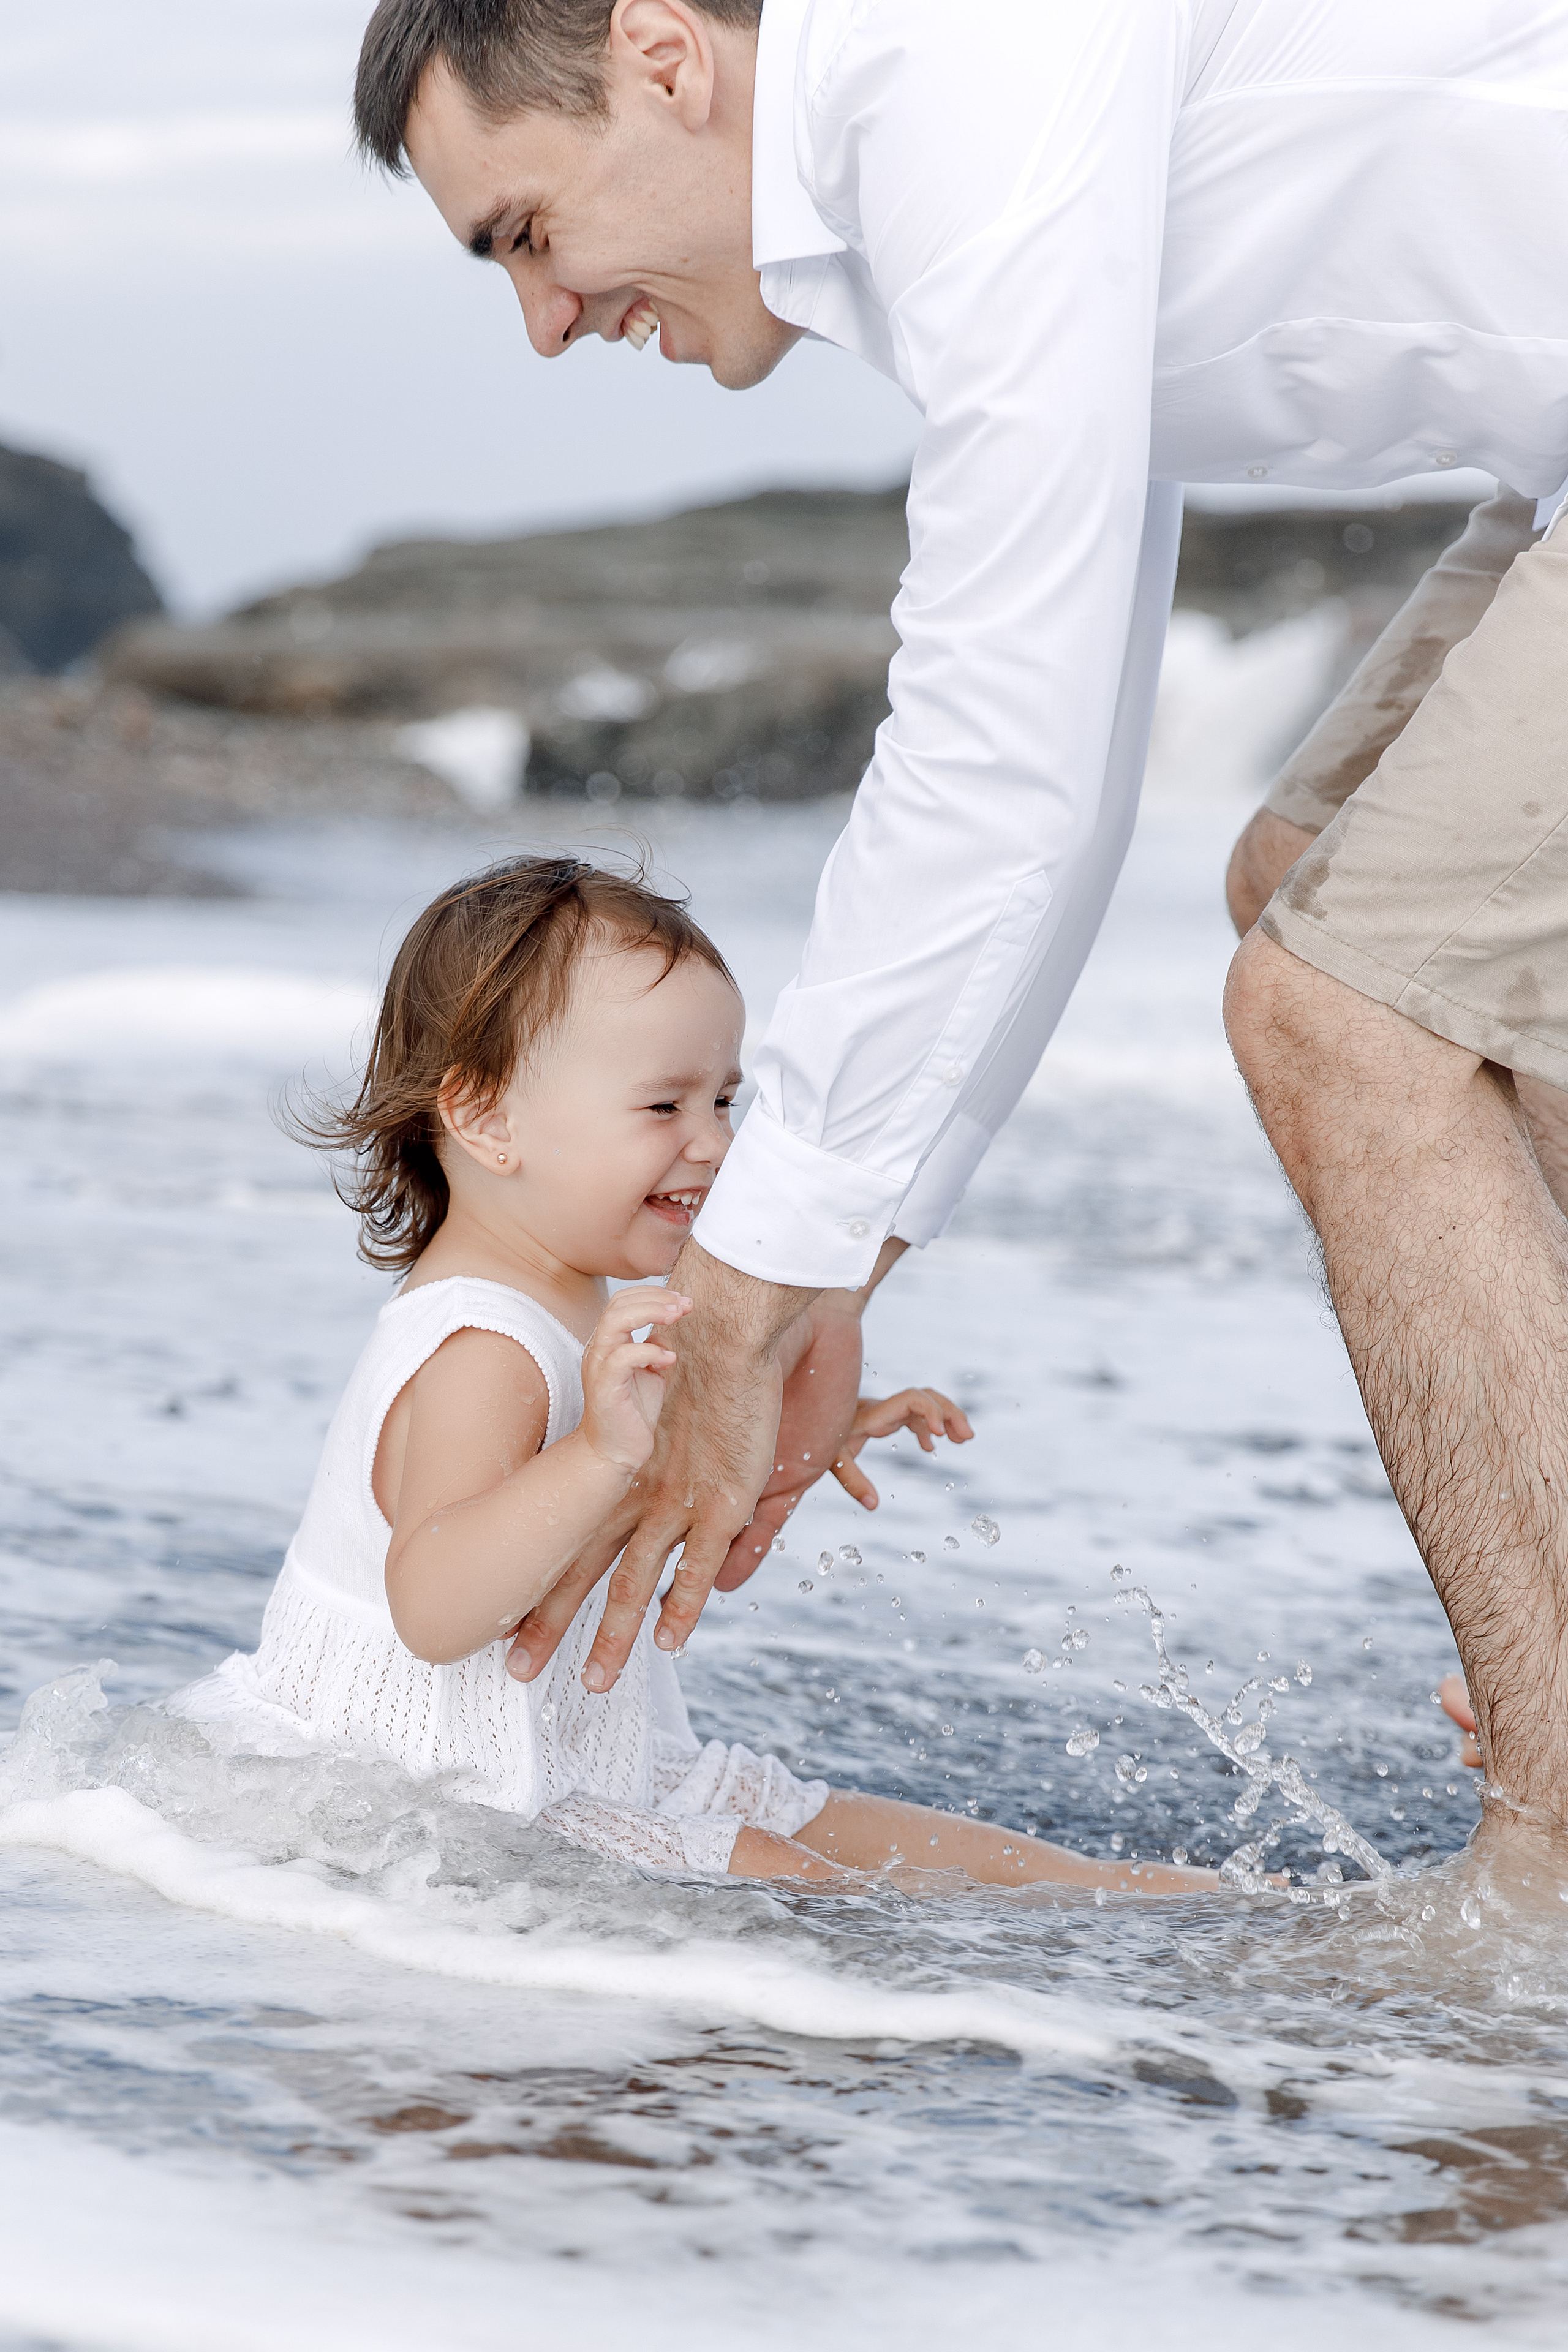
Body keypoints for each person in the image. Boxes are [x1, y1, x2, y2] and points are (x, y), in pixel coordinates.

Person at [352, 0, 1568, 1822]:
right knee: (1301, 903)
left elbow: (997, 739)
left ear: (665, 56)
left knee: (1350, 1017)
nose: (546, 320)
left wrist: (755, 1290)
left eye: (528, 232)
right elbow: (1063, 788)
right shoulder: (952, 177)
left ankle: (1553, 1858)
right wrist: (857, 1256)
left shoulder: (956, 67)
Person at [168, 855, 1210, 1892]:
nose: (716, 1145)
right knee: (794, 1876)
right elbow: (436, 1609)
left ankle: (1147, 1901)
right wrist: (595, 1452)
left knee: (848, 1829)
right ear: (488, 1120)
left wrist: (822, 1424)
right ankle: (1075, 1975)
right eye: (664, 1108)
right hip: (433, 1788)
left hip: (582, 1760)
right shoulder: (485, 1349)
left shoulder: (583, 1296)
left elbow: (652, 1482)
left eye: (726, 1100)